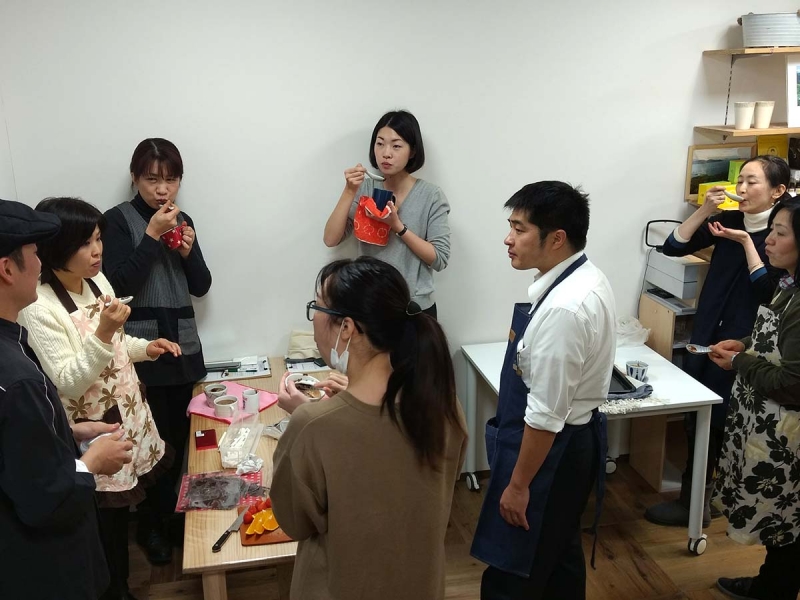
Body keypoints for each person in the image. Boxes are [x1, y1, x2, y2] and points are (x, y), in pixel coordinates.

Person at [270, 256, 467, 600]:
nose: (313, 319)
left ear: (347, 328)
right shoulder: (445, 409)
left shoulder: (312, 427)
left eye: (317, 308)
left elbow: (294, 522)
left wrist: (306, 422)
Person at [18, 197, 181, 598]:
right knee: (107, 523)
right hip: (93, 429)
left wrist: (147, 348)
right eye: (85, 243)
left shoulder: (98, 282)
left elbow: (119, 344)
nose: (97, 251)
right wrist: (106, 332)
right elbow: (69, 381)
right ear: (56, 248)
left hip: (131, 413)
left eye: (98, 239)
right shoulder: (39, 306)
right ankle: (117, 590)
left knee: (142, 489)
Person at [470, 181, 616, 600]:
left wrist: (518, 487)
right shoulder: (584, 277)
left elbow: (546, 416)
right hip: (568, 442)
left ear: (556, 238)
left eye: (519, 229)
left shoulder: (564, 309)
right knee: (558, 558)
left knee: (513, 573)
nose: (508, 239)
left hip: (553, 452)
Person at [0, 198, 133, 600]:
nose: (40, 263)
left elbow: (16, 443)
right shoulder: (17, 376)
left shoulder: (13, 348)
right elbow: (45, 497)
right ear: (7, 269)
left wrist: (67, 433)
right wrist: (90, 462)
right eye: (34, 253)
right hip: (44, 564)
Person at [645, 155, 786, 528]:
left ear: (778, 191)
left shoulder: (781, 235)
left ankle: (706, 501)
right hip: (708, 331)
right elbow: (673, 247)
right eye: (741, 181)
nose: (742, 189)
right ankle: (697, 501)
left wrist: (746, 242)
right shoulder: (732, 220)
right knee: (699, 416)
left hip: (747, 341)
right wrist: (705, 210)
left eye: (752, 182)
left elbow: (769, 292)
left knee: (729, 421)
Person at [102, 138, 212, 522]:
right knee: (152, 443)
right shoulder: (117, 220)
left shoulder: (183, 219)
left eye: (171, 180)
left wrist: (188, 252)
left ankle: (178, 519)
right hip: (142, 349)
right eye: (152, 179)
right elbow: (117, 286)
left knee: (183, 439)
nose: (162, 189)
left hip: (183, 343)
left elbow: (201, 286)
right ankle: (155, 525)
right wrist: (150, 236)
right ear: (135, 178)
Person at [709, 196, 800, 600]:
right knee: (783, 523)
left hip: (787, 431)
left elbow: (793, 382)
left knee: (786, 521)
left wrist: (739, 362)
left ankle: (773, 589)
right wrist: (744, 343)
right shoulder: (788, 282)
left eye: (780, 233)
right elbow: (776, 339)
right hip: (767, 421)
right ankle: (772, 583)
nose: (770, 241)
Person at [323, 110, 450, 319]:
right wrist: (349, 191)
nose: (386, 153)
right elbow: (331, 239)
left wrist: (397, 226)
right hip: (369, 303)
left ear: (413, 151)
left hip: (414, 309)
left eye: (396, 146)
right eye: (380, 143)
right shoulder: (365, 188)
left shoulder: (431, 195)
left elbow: (440, 259)